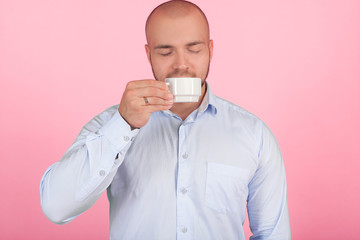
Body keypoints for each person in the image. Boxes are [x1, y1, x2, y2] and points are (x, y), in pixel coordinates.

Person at [40, 0, 291, 239]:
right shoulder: (111, 124)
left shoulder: (253, 133)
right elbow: (56, 207)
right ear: (149, 54)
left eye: (194, 49)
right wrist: (123, 125)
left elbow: (272, 234)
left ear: (210, 50)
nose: (181, 64)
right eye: (165, 52)